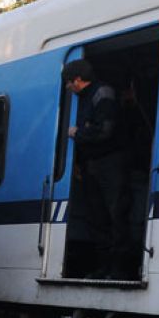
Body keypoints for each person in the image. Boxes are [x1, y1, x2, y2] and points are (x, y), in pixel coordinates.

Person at [62, 59, 133, 280]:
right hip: (93, 166)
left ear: (78, 80)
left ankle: (120, 269)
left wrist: (78, 133)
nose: (67, 88)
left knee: (116, 214)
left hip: (110, 163)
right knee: (98, 217)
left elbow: (105, 130)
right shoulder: (84, 98)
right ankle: (104, 267)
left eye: (68, 83)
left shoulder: (103, 93)